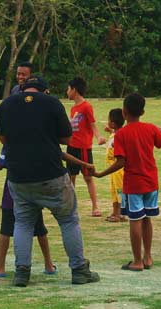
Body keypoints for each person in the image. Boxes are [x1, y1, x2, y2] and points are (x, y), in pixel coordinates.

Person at [0, 74, 99, 287]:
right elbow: (67, 138)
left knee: (23, 223)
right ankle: (79, 269)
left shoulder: (6, 104)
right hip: (51, 174)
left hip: (18, 176)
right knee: (68, 220)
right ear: (44, 91)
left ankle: (22, 272)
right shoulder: (52, 103)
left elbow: (3, 138)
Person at [94, 93, 161, 272]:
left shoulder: (121, 134)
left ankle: (137, 261)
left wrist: (100, 174)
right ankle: (147, 257)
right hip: (151, 182)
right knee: (147, 219)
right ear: (142, 111)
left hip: (133, 184)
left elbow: (120, 162)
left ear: (124, 112)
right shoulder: (150, 129)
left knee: (135, 220)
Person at [0, 144, 95, 278]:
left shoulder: (12, 142)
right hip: (40, 188)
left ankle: (3, 268)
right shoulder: (39, 138)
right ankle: (49, 265)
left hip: (16, 191)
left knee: (8, 229)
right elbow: (59, 153)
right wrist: (83, 163)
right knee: (40, 229)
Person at [65, 77, 101, 217]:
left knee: (88, 177)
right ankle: (71, 207)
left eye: (68, 89)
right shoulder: (73, 108)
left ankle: (95, 207)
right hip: (72, 147)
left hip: (84, 148)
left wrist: (99, 138)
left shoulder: (86, 107)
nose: (67, 92)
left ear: (74, 89)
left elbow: (93, 125)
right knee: (71, 177)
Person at [100, 108, 126, 223]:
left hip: (118, 169)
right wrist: (110, 131)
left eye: (109, 120)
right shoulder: (115, 133)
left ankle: (121, 214)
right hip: (112, 169)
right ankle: (115, 212)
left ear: (113, 123)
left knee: (120, 191)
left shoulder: (120, 135)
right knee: (113, 191)